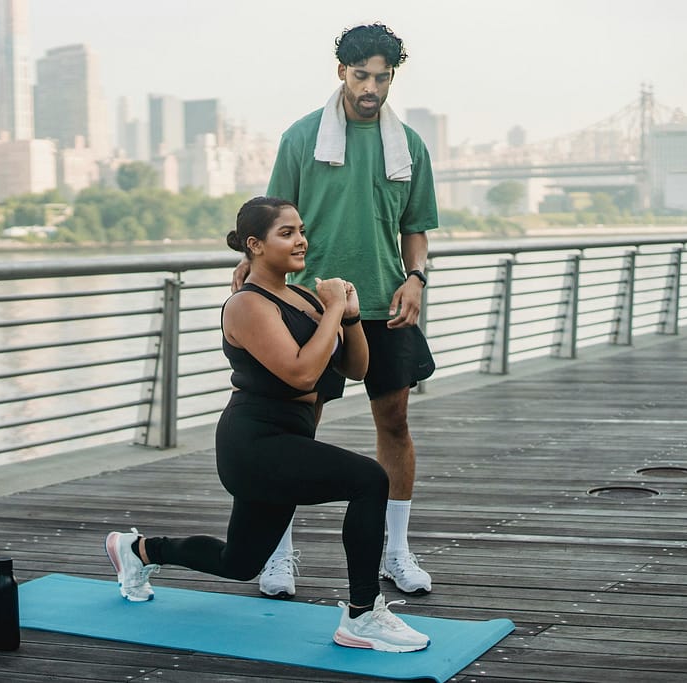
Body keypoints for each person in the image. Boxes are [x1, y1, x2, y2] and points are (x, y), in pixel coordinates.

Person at [104, 196, 430, 653]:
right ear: (254, 245)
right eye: (287, 233)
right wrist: (333, 310)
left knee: (239, 562)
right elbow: (300, 372)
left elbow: (355, 369)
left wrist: (351, 314)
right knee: (369, 480)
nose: (301, 241)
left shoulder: (299, 296)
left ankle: (137, 551)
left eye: (300, 230)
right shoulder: (246, 305)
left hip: (287, 439)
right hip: (254, 444)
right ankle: (361, 615)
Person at [232, 23, 438, 599]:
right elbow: (270, 217)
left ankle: (395, 552)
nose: (372, 87)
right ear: (341, 72)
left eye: (383, 76)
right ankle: (279, 554)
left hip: (384, 305)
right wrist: (253, 272)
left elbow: (415, 228)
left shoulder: (410, 145)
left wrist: (416, 278)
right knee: (298, 432)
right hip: (309, 305)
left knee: (394, 424)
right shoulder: (302, 138)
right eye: (361, 75)